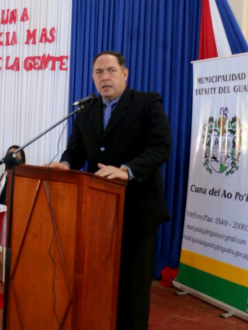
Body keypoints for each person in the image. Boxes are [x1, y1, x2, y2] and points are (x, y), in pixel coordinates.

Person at [49, 50, 172, 330]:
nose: (105, 77)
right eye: (98, 72)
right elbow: (76, 150)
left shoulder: (146, 103)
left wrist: (127, 170)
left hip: (138, 212)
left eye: (111, 71)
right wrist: (66, 164)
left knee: (134, 288)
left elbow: (161, 146)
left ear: (124, 74)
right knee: (102, 282)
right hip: (99, 212)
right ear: (92, 77)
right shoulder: (86, 110)